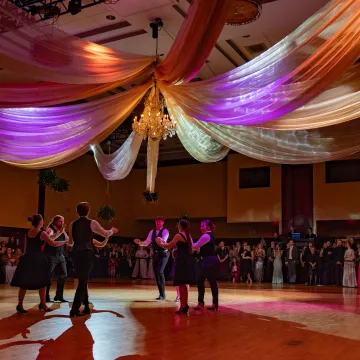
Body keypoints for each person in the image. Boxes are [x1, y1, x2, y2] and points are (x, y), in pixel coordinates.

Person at [68, 202, 118, 317]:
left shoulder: (72, 224)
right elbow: (105, 233)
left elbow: (70, 243)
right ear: (88, 211)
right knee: (83, 281)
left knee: (83, 279)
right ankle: (74, 309)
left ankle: (86, 306)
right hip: (86, 253)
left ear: (77, 211)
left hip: (76, 253)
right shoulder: (92, 222)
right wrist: (111, 231)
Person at [11, 215, 68, 313]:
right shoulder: (42, 233)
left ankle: (20, 304)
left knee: (24, 283)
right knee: (43, 282)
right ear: (40, 222)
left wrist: (59, 233)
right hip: (38, 259)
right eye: (42, 221)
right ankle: (43, 304)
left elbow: (51, 237)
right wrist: (65, 241)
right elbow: (53, 243)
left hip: (28, 258)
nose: (43, 222)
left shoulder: (30, 231)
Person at [156, 218, 196, 314]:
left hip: (182, 261)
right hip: (188, 260)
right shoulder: (188, 235)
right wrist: (163, 242)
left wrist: (159, 243)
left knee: (182, 284)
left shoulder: (179, 235)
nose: (177, 226)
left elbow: (169, 246)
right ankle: (184, 305)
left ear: (180, 226)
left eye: (178, 224)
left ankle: (183, 306)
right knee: (184, 284)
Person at [134, 216, 169, 300]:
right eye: (157, 221)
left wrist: (160, 240)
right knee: (157, 274)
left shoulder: (165, 231)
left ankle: (163, 294)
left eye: (160, 221)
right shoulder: (152, 232)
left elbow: (164, 240)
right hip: (155, 254)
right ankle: (161, 294)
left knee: (160, 272)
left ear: (163, 223)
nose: (158, 222)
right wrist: (140, 243)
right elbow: (146, 242)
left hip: (163, 254)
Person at [193, 220, 219, 311]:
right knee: (212, 283)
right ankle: (214, 303)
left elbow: (195, 246)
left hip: (208, 261)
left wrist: (186, 241)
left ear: (208, 227)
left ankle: (201, 303)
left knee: (201, 281)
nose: (200, 227)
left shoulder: (206, 235)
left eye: (202, 225)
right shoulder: (208, 235)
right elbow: (200, 249)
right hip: (209, 260)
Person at [44, 215, 69, 303]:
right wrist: (59, 232)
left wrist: (63, 232)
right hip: (51, 255)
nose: (62, 223)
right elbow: (50, 239)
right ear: (55, 222)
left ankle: (59, 296)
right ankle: (45, 297)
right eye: (60, 221)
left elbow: (67, 240)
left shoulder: (61, 230)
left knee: (63, 275)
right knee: (48, 276)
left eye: (63, 221)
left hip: (60, 255)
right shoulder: (50, 229)